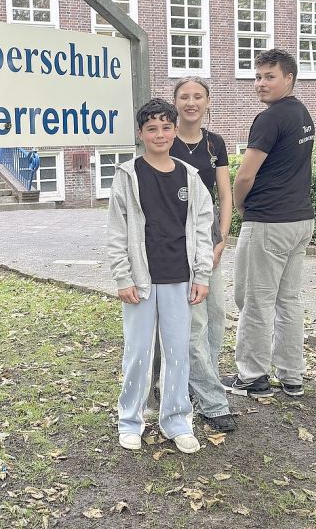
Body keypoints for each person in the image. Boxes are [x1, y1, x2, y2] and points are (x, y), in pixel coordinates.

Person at [107, 98, 214, 454]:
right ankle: (130, 420)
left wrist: (203, 275)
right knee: (137, 351)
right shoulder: (127, 175)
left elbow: (202, 229)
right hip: (141, 280)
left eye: (166, 127)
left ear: (174, 130)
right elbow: (118, 231)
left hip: (180, 278)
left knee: (177, 351)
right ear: (140, 134)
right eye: (152, 128)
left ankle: (176, 419)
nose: (160, 134)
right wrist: (123, 277)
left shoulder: (191, 176)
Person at [222, 48, 316, 399]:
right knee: (288, 301)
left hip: (269, 222)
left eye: (269, 76)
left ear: (289, 78)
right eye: (258, 77)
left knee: (254, 300)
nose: (260, 83)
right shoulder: (302, 113)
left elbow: (245, 174)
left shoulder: (270, 118)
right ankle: (292, 377)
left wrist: (241, 204)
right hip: (300, 220)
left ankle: (253, 377)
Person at [169, 76, 236, 432]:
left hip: (211, 244)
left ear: (208, 102)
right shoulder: (167, 140)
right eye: (184, 97)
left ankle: (200, 383)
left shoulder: (215, 143)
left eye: (198, 96)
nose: (191, 102)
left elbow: (224, 195)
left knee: (216, 317)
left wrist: (222, 237)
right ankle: (212, 401)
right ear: (175, 102)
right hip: (181, 246)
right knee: (194, 323)